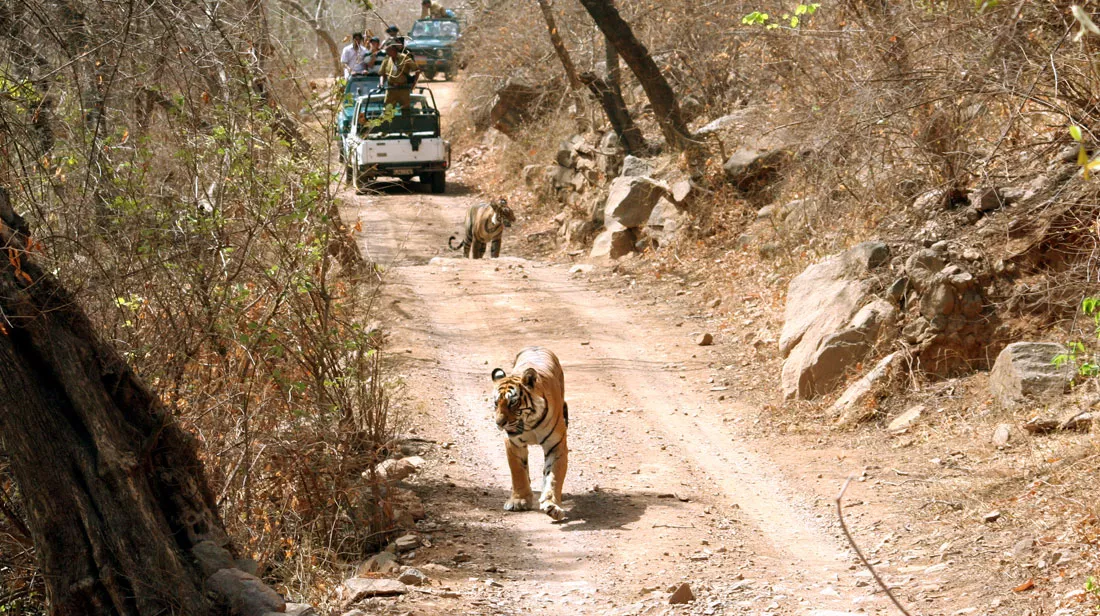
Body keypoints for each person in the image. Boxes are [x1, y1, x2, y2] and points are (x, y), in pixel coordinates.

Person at [380, 38, 418, 112]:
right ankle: (388, 124)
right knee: (387, 112)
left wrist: (414, 84)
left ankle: (406, 123)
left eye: (388, 51)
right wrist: (381, 83)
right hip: (390, 89)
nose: (387, 53)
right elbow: (382, 73)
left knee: (406, 111)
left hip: (403, 89)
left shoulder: (404, 58)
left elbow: (417, 70)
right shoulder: (386, 59)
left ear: (394, 50)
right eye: (386, 51)